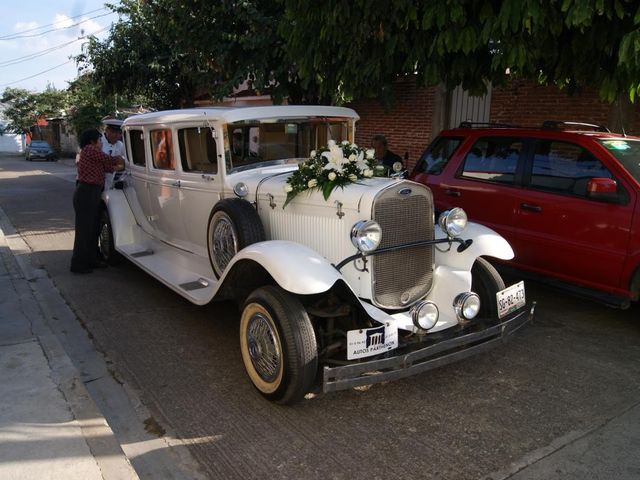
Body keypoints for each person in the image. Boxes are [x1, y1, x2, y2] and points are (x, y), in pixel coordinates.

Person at [70, 129, 124, 274]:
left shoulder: (93, 154)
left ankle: (91, 259)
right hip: (86, 192)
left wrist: (117, 167)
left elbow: (107, 167)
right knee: (84, 231)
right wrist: (122, 160)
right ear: (92, 141)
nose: (101, 143)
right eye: (100, 141)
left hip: (92, 192)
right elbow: (110, 160)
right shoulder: (89, 150)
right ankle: (79, 264)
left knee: (92, 229)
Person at [101, 118, 126, 189]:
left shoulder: (120, 145)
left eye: (119, 133)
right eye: (114, 132)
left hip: (108, 182)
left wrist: (121, 165)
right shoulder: (99, 142)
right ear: (107, 131)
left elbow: (125, 160)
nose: (117, 135)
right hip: (95, 182)